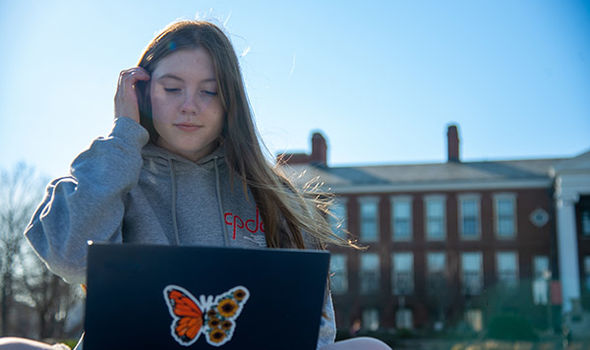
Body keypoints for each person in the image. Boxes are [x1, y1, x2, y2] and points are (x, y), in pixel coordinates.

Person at [7, 20, 391, 350]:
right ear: (141, 93)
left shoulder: (275, 196)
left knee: (372, 347)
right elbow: (70, 259)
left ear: (230, 103)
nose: (189, 105)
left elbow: (317, 323)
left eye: (209, 91)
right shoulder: (109, 171)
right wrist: (123, 137)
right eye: (172, 88)